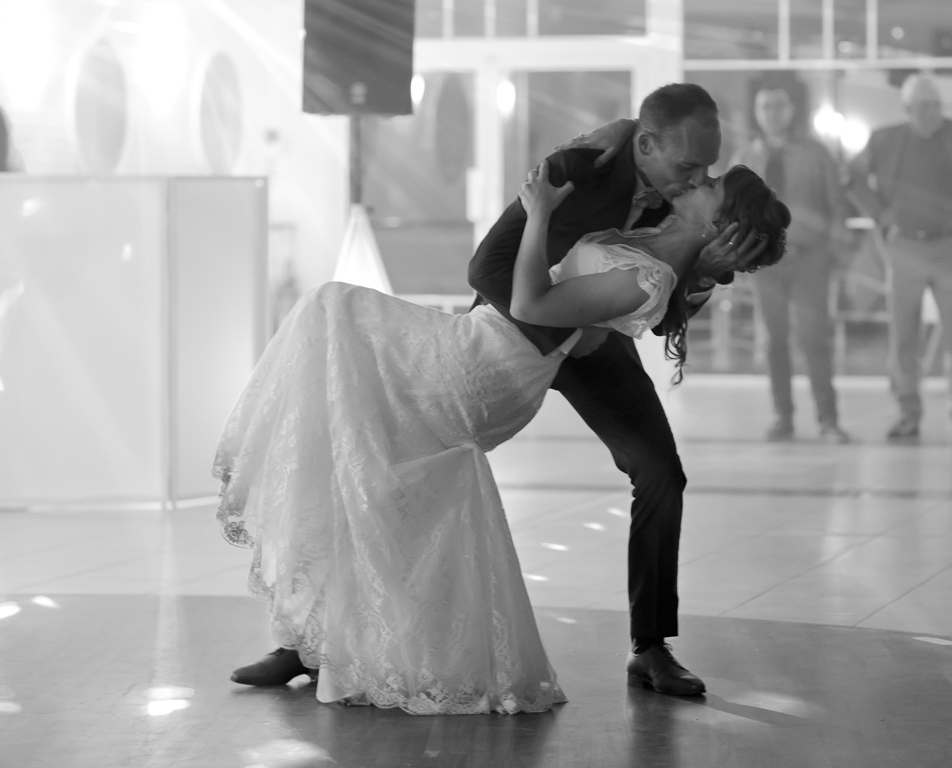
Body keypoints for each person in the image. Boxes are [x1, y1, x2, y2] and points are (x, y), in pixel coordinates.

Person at [218, 84, 786, 711]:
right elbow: (487, 271)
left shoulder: (688, 206)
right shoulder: (584, 164)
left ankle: (650, 646)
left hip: (584, 338)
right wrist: (560, 324)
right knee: (366, 460)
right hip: (521, 330)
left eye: (708, 170)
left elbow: (657, 305)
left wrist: (703, 271)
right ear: (646, 144)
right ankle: (308, 639)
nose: (697, 178)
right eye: (689, 166)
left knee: (661, 473)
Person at [847, 75, 952, 446]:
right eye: (922, 107)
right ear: (907, 109)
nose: (931, 113)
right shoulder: (885, 140)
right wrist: (880, 214)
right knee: (903, 336)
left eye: (936, 105)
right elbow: (852, 177)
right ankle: (907, 412)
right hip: (905, 247)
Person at [728, 73, 854, 443]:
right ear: (756, 111)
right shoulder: (746, 159)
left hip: (810, 261)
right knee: (775, 341)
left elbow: (837, 206)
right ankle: (782, 416)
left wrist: (835, 253)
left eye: (779, 105)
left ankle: (828, 419)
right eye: (765, 106)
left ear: (792, 108)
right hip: (767, 265)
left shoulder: (816, 153)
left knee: (815, 339)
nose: (772, 113)